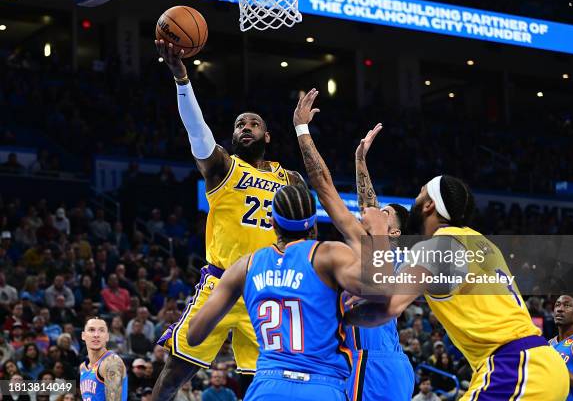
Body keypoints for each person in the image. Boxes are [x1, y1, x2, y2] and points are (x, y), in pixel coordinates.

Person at [152, 39, 306, 399]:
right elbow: (197, 132)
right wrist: (182, 80)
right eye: (240, 124)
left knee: (268, 383)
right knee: (175, 370)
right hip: (220, 284)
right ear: (234, 135)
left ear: (267, 135)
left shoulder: (291, 179)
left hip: (267, 288)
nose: (246, 127)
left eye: (254, 124)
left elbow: (305, 234)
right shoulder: (221, 166)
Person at [344, 175, 570, 400]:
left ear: (429, 204)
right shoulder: (479, 241)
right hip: (544, 365)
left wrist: (342, 317)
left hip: (516, 366)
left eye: (420, 192)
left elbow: (390, 308)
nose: (415, 198)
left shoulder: (437, 246)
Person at [187, 185, 392, 400]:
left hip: (268, 386)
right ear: (313, 225)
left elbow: (194, 335)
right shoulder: (328, 255)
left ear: (273, 224)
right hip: (321, 385)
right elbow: (384, 288)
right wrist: (379, 232)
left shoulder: (244, 266)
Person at [291, 90, 415, 400]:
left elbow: (329, 188)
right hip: (389, 362)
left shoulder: (392, 256)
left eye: (384, 213)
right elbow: (359, 202)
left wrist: (302, 129)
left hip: (371, 361)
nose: (374, 210)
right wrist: (360, 159)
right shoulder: (382, 252)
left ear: (396, 232)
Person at [79, 317, 128, 401]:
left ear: (107, 337)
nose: (96, 335)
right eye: (91, 330)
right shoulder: (83, 367)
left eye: (101, 330)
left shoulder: (112, 362)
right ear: (83, 336)